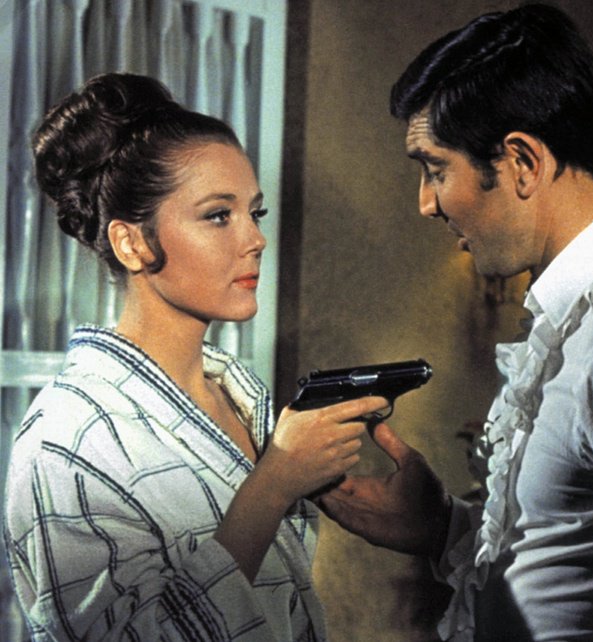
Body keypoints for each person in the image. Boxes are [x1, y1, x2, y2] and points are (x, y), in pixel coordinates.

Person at [318, 4, 593, 642]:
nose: (426, 203)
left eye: (436, 170)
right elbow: (574, 557)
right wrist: (440, 528)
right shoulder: (590, 318)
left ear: (523, 162)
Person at [3, 72, 387, 641]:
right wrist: (272, 485)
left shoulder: (240, 396)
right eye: (217, 215)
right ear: (132, 242)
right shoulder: (69, 441)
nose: (255, 240)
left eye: (254, 213)